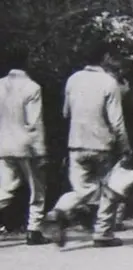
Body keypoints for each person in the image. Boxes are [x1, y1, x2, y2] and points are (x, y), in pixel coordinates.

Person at [44, 43, 132, 248]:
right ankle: (103, 233)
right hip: (102, 143)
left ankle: (60, 210)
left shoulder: (72, 80)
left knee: (82, 188)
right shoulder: (109, 82)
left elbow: (66, 112)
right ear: (104, 57)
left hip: (76, 142)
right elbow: (116, 121)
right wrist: (125, 146)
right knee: (109, 190)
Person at [0, 46, 51, 245]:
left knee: (4, 189)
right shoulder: (32, 87)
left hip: (2, 144)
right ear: (26, 61)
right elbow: (35, 122)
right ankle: (34, 230)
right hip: (26, 145)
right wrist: (41, 151)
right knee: (37, 189)